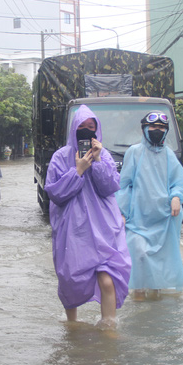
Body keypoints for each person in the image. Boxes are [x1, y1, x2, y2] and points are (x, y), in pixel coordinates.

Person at [44, 105, 131, 327]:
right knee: (70, 280)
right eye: (81, 127)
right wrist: (78, 170)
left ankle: (109, 325)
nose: (86, 131)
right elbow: (54, 193)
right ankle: (71, 325)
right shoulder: (60, 157)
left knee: (107, 279)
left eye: (90, 127)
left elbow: (110, 186)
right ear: (73, 129)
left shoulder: (106, 156)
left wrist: (98, 162)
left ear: (97, 130)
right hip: (73, 229)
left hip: (103, 228)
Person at [116, 110, 183, 300]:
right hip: (138, 218)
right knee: (139, 253)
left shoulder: (168, 155)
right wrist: (122, 212)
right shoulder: (134, 153)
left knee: (161, 258)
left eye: (161, 128)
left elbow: (179, 181)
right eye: (153, 127)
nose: (157, 130)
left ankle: (156, 293)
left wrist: (176, 197)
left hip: (164, 217)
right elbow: (124, 185)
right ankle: (138, 292)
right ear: (145, 129)